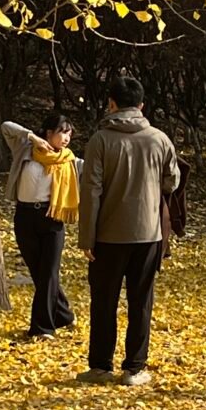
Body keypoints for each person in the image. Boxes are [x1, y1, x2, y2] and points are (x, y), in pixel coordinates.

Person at [77, 76, 181, 386]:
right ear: (141, 105)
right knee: (141, 300)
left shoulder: (101, 140)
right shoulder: (159, 139)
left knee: (104, 300)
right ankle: (135, 368)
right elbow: (171, 181)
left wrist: (87, 237)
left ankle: (100, 365)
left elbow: (90, 191)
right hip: (148, 233)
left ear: (111, 104)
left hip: (108, 235)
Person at [1, 113, 83, 339]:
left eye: (69, 133)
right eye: (62, 132)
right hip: (25, 217)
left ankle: (42, 328)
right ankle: (64, 315)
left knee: (48, 273)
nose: (67, 138)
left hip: (52, 220)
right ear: (48, 133)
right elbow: (6, 126)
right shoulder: (26, 149)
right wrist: (32, 138)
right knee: (39, 273)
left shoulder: (71, 162)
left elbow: (99, 172)